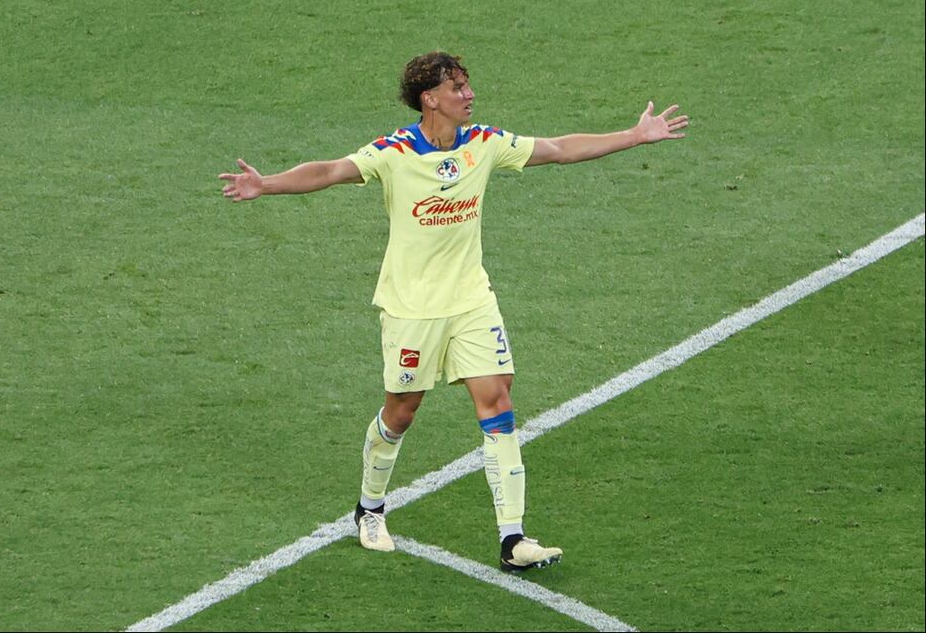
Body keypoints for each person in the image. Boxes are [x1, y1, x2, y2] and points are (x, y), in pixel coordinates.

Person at [219, 51, 688, 571]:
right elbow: (331, 170)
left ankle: (514, 540)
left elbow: (557, 150)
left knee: (498, 400)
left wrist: (633, 135)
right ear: (430, 98)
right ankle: (369, 508)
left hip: (470, 302)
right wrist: (268, 184)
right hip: (412, 309)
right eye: (458, 87)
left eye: (468, 86)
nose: (469, 95)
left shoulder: (484, 143)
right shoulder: (394, 152)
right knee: (402, 412)